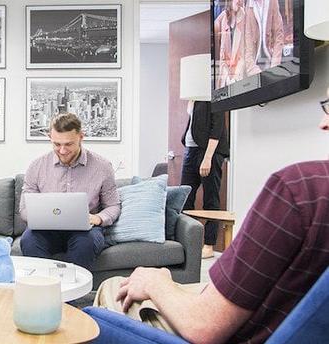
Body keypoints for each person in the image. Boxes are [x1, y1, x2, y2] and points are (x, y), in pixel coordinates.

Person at [95, 86, 329, 343]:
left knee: (114, 287)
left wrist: (156, 282)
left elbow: (204, 325)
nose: (323, 123)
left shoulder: (300, 190)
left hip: (227, 331)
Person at [19, 113, 121, 269]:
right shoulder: (36, 166)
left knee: (84, 243)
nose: (62, 150)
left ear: (81, 137)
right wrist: (37, 217)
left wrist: (98, 218)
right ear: (49, 138)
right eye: (57, 144)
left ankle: (74, 291)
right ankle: (43, 288)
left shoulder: (102, 167)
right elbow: (24, 209)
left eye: (68, 144)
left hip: (85, 231)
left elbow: (113, 205)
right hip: (47, 231)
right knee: (28, 240)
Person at [180, 100, 229, 259]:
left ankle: (209, 244)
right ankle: (188, 242)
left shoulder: (211, 95)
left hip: (209, 152)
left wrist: (208, 158)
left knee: (210, 199)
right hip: (191, 150)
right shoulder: (192, 96)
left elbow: (217, 127)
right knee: (185, 198)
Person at [244, 0, 285, 75]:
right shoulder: (249, 6)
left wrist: (274, 67)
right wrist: (254, 71)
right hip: (256, 66)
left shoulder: (273, 2)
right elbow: (248, 43)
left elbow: (279, 35)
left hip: (272, 61)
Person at [214, 0, 248, 88]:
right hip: (226, 77)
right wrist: (227, 77)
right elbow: (222, 57)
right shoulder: (224, 18)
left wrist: (234, 78)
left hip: (241, 77)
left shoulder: (245, 17)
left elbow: (244, 56)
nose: (239, 1)